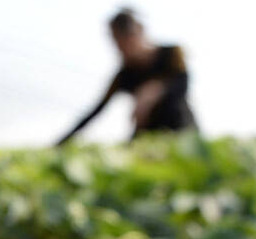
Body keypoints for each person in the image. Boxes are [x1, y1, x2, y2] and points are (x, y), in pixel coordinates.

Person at [57, 8, 196, 145]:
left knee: (173, 108)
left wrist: (155, 91)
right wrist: (60, 143)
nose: (122, 50)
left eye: (125, 42)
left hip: (182, 130)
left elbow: (183, 86)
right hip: (148, 135)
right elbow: (95, 111)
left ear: (138, 33)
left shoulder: (172, 54)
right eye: (117, 44)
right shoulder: (125, 75)